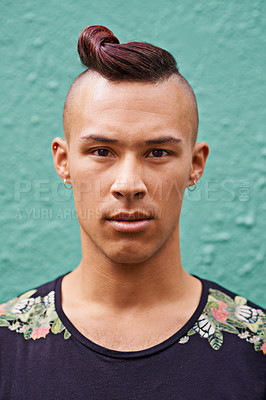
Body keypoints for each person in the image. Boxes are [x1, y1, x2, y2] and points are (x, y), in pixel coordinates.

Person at [0, 25, 265, 399]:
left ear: (195, 164)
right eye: (101, 151)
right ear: (63, 162)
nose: (128, 184)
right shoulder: (6, 346)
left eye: (157, 153)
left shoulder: (257, 347)